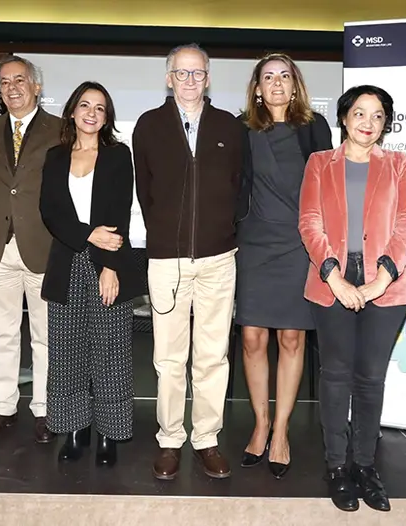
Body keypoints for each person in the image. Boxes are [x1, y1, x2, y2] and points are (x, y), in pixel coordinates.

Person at [298, 85, 406, 512]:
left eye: (378, 116)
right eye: (360, 113)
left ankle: (366, 467)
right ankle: (336, 467)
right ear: (344, 117)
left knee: (370, 380)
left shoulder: (399, 166)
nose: (368, 123)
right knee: (335, 377)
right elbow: (310, 223)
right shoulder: (319, 163)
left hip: (385, 281)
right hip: (331, 278)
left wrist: (379, 281)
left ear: (385, 125)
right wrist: (335, 279)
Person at [132, 43, 247, 480]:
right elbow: (147, 191)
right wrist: (166, 235)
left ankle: (207, 439)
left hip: (220, 259)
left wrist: (221, 230)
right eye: (182, 73)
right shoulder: (149, 125)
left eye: (198, 74)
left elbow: (241, 187)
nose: (191, 81)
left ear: (208, 78)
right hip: (167, 261)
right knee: (168, 358)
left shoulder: (228, 126)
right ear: (168, 77)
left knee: (213, 356)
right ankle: (169, 439)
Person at [234, 53, 333, 479]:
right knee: (253, 338)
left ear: (295, 85)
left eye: (284, 76)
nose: (276, 83)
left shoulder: (315, 127)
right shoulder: (240, 130)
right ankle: (259, 424)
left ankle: (281, 432)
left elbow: (329, 189)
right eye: (268, 77)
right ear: (257, 87)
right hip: (254, 243)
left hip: (299, 245)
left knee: (292, 338)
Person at [38, 81, 144, 466]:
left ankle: (109, 436)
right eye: (85, 105)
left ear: (107, 117)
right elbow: (50, 211)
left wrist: (111, 267)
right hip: (66, 260)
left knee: (110, 351)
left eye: (100, 108)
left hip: (107, 262)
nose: (91, 113)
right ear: (72, 111)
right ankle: (75, 430)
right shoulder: (54, 156)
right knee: (67, 352)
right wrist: (86, 235)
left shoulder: (118, 156)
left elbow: (118, 214)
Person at [0, 55, 62, 444]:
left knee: (45, 336)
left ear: (36, 86)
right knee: (1, 334)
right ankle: (2, 407)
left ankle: (43, 409)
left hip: (42, 246)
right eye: (4, 81)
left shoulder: (61, 130)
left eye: (20, 80)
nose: (12, 87)